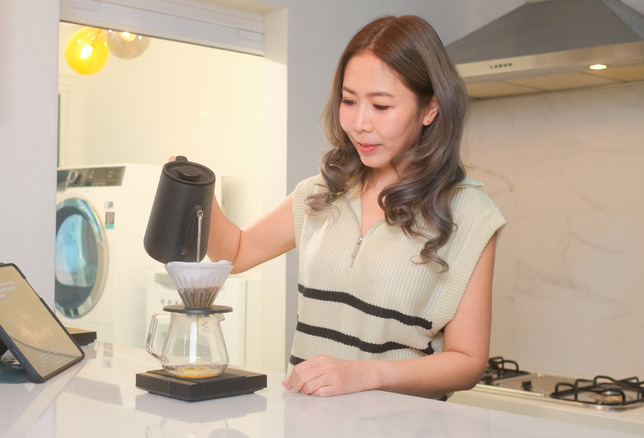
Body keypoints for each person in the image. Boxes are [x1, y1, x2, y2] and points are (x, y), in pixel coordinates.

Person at [206, 15, 505, 400]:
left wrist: (365, 374)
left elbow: (467, 361)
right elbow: (234, 252)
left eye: (381, 106)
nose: (359, 123)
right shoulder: (321, 191)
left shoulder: (469, 212)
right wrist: (195, 191)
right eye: (348, 101)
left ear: (429, 109)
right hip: (308, 423)